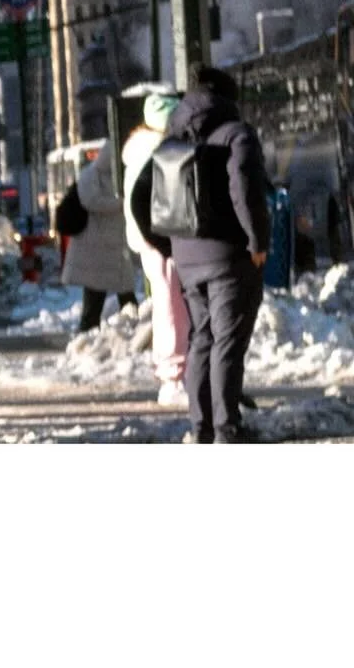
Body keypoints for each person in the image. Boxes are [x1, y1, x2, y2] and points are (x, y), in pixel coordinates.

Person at [158, 64, 271, 444]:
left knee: (201, 340)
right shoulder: (237, 135)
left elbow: (145, 199)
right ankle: (227, 429)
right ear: (228, 98)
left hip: (187, 259)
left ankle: (201, 427)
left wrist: (168, 246)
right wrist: (258, 242)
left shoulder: (170, 140)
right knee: (228, 342)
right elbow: (246, 191)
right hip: (229, 258)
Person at [120, 90, 189, 407]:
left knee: (167, 303)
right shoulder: (157, 150)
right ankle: (174, 374)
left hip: (150, 238)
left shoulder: (138, 149)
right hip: (163, 237)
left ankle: (172, 371)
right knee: (172, 306)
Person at [62, 138, 138, 332]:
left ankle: (132, 329)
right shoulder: (92, 175)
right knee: (95, 298)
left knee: (124, 294)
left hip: (114, 248)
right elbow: (91, 201)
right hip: (96, 250)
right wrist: (121, 204)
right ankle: (88, 333)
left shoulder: (119, 176)